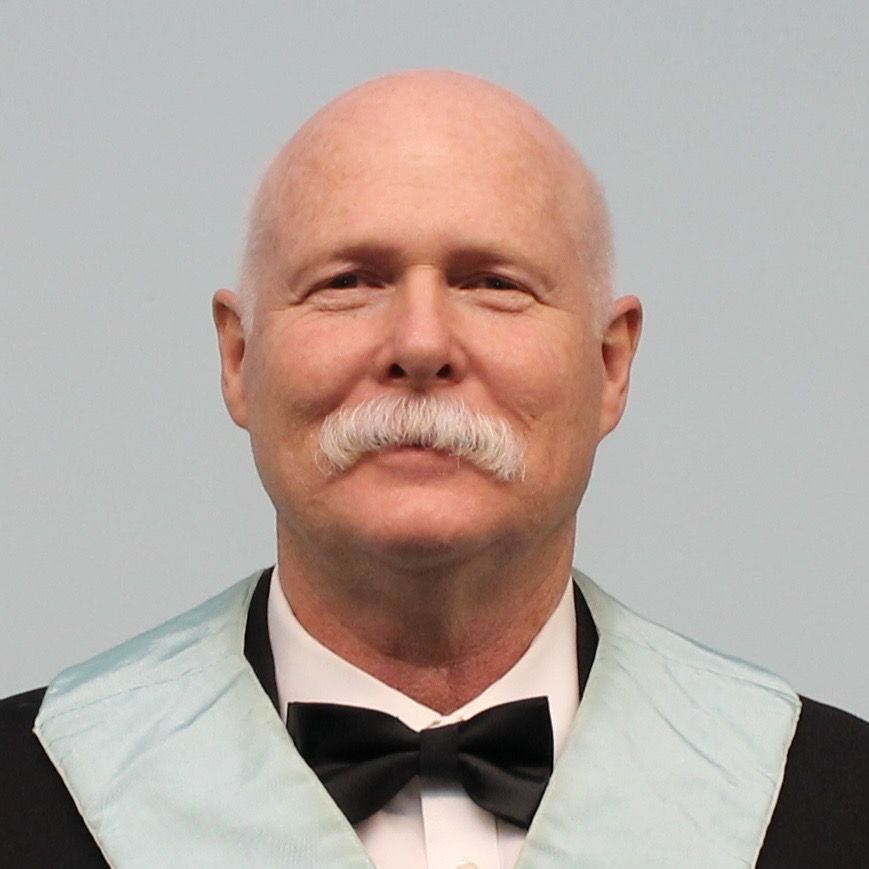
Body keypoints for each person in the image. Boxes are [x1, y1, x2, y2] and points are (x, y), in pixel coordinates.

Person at [1, 70, 866, 868]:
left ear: (609, 365)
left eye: (492, 283)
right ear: (238, 359)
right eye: (349, 281)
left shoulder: (838, 802)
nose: (419, 344)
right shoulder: (25, 791)